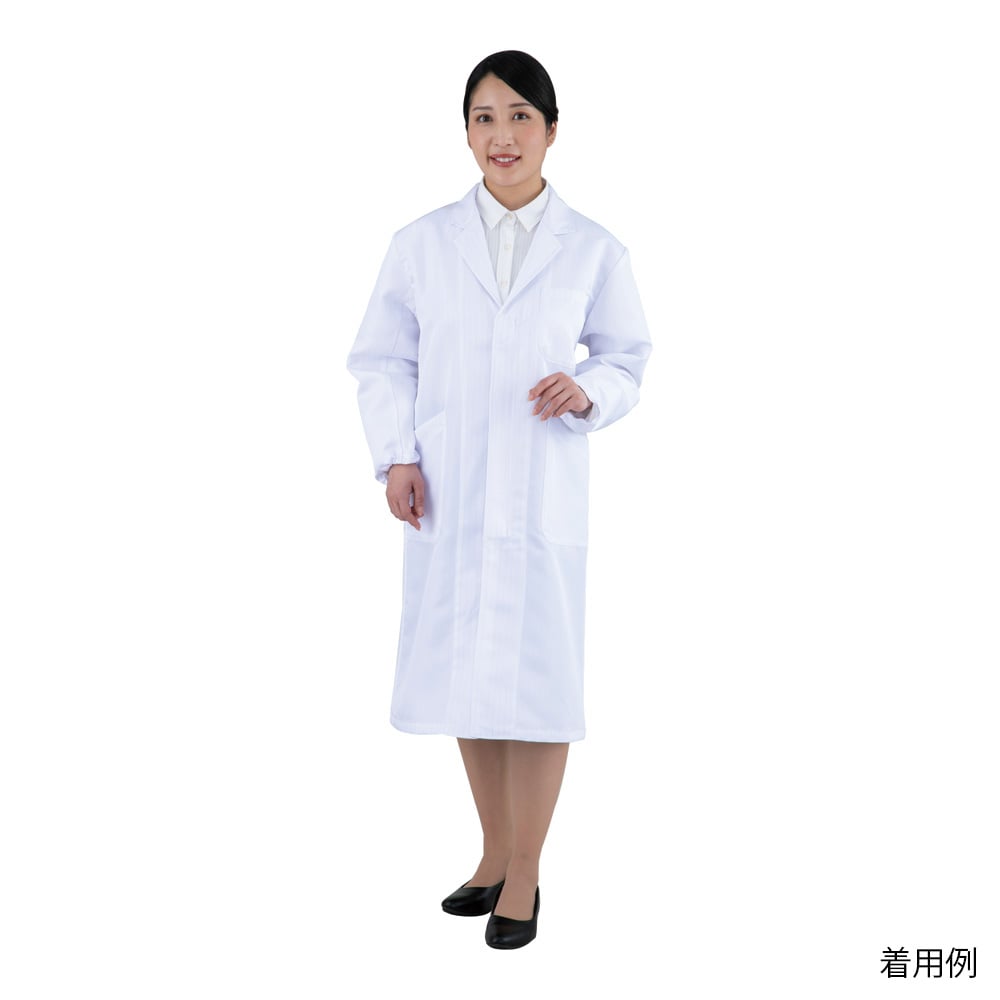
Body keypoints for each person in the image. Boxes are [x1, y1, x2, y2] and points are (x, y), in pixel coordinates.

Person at [346, 50, 652, 950]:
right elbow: (382, 360)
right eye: (484, 117)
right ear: (467, 133)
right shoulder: (420, 244)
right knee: (465, 682)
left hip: (541, 495)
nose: (502, 135)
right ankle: (490, 851)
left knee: (540, 687)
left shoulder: (593, 249)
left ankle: (526, 870)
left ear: (552, 130)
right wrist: (396, 457)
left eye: (520, 116)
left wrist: (589, 389)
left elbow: (628, 357)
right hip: (449, 494)